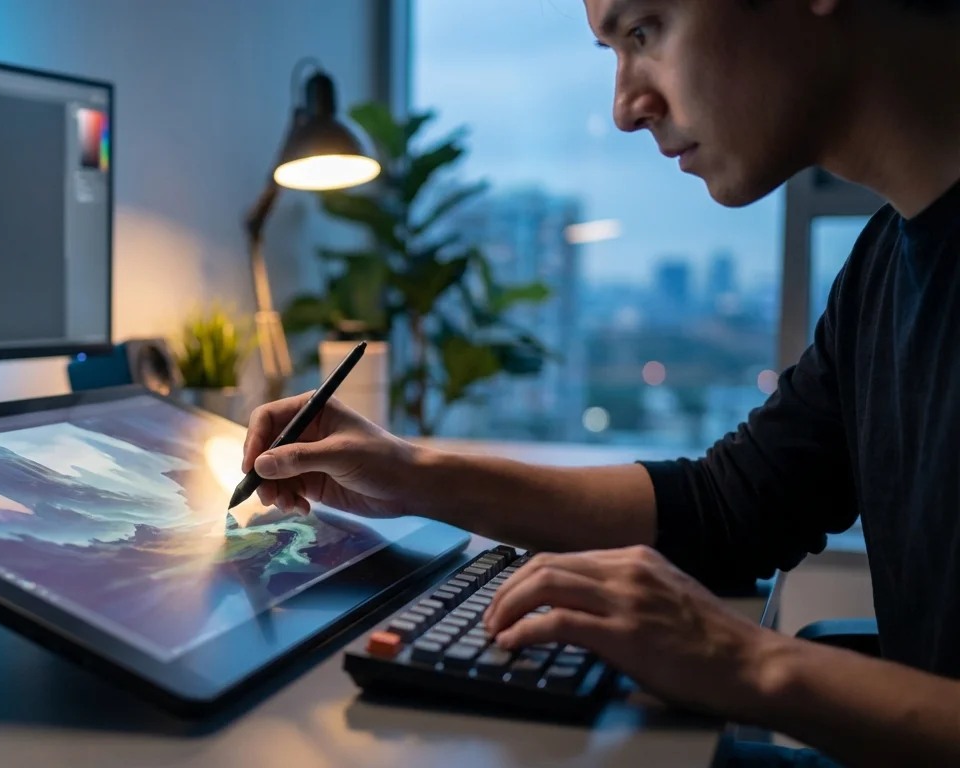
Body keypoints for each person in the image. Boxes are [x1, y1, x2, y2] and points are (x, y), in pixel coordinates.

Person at [242, 0, 960, 764]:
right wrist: (410, 473)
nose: (624, 108)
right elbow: (726, 508)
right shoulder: (884, 266)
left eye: (644, 31)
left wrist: (749, 664)